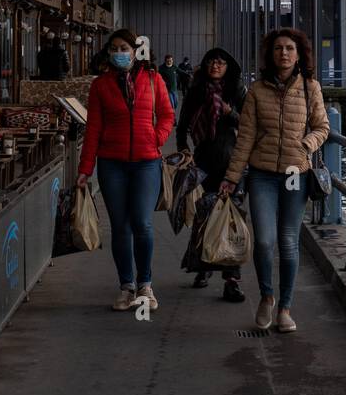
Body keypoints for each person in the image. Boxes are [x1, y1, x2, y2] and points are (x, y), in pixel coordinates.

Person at [224, 28, 329, 333]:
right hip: (262, 174)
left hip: (296, 173)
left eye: (290, 49)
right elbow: (245, 138)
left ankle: (285, 307)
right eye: (278, 48)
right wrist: (232, 177)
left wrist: (307, 144)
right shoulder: (257, 91)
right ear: (271, 54)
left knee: (287, 241)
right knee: (265, 240)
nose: (284, 53)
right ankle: (267, 296)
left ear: (299, 55)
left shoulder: (311, 88)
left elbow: (322, 127)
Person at [76, 28, 175, 312]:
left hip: (147, 162)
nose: (120, 53)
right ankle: (126, 286)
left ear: (136, 51)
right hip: (112, 164)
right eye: (114, 48)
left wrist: (156, 138)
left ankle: (145, 284)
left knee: (142, 223)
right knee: (120, 227)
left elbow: (168, 115)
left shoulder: (154, 79)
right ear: (109, 53)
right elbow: (93, 127)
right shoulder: (100, 85)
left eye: (125, 48)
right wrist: (85, 168)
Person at [176, 48, 247, 300]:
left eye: (220, 63)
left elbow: (249, 124)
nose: (215, 66)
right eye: (211, 62)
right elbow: (182, 126)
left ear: (228, 67)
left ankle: (232, 280)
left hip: (232, 162)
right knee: (206, 215)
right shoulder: (196, 90)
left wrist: (230, 113)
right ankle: (204, 266)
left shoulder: (236, 90)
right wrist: (184, 151)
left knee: (231, 220)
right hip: (204, 161)